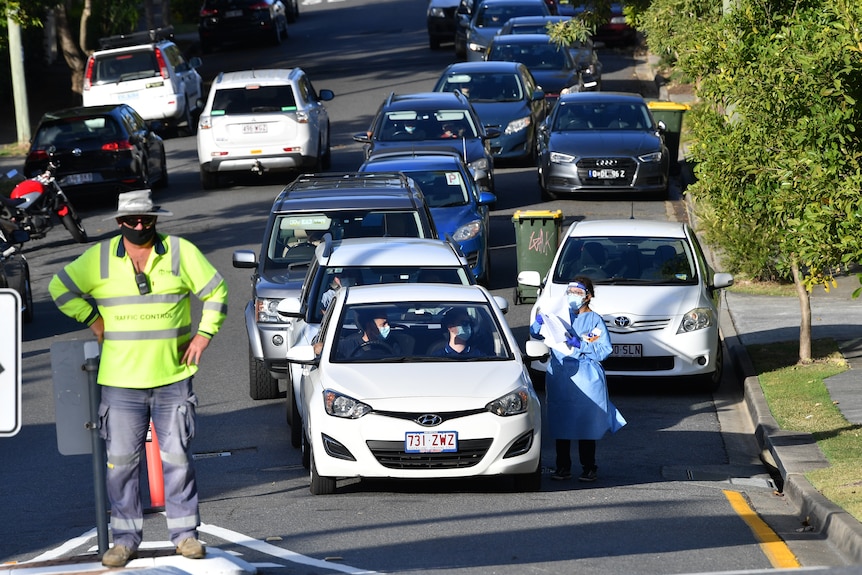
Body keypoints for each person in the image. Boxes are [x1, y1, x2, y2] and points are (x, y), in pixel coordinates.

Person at [49, 190, 228, 568]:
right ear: (119, 223)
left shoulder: (179, 252)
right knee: (121, 463)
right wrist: (92, 320)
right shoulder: (98, 259)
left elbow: (217, 291)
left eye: (147, 219)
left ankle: (185, 536)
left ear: (156, 219)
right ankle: (125, 541)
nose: (140, 225)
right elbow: (58, 288)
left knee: (177, 459)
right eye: (132, 220)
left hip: (172, 378)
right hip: (121, 382)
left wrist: (204, 335)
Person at [530, 276, 625, 482]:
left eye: (578, 293)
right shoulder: (561, 316)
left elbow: (603, 350)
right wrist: (538, 324)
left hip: (586, 376)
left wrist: (580, 345)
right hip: (561, 377)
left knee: (585, 423)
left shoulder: (594, 321)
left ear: (588, 296)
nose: (573, 297)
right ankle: (562, 466)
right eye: (570, 292)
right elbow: (538, 335)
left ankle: (589, 466)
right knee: (561, 421)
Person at [338, 308, 404, 359]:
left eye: (388, 323)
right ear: (369, 326)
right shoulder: (348, 345)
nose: (388, 327)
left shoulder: (392, 343)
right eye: (383, 324)